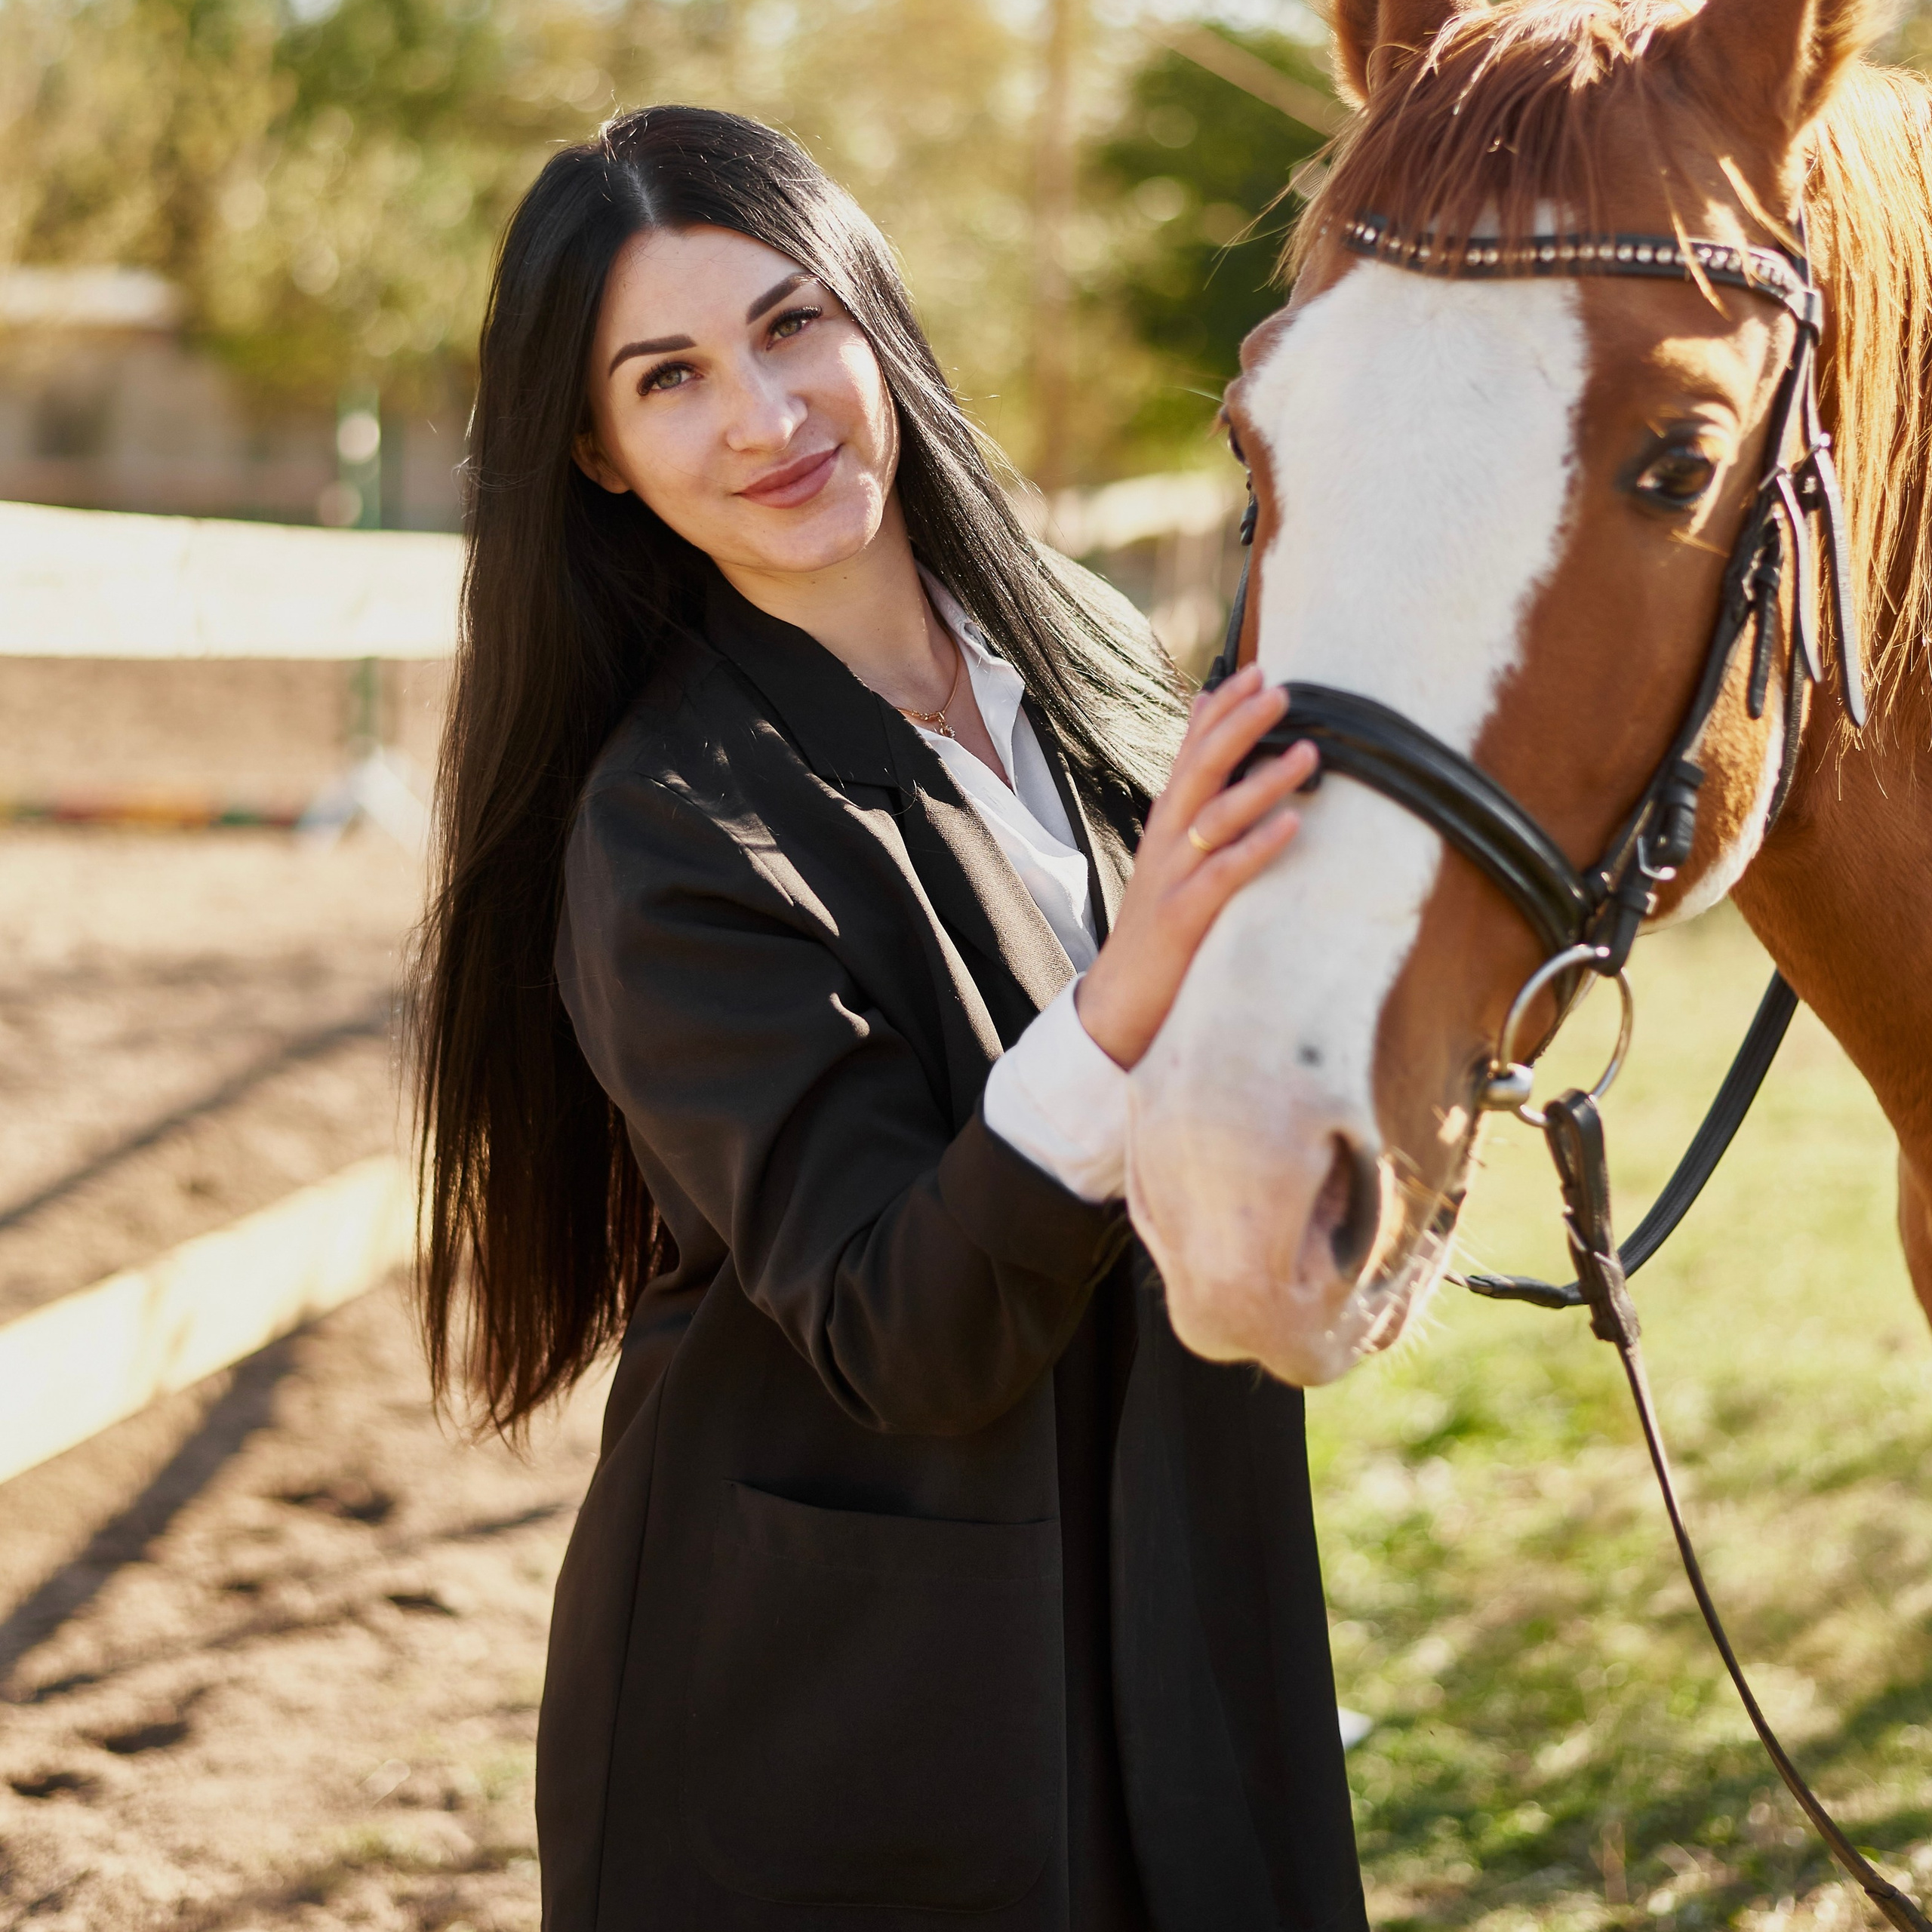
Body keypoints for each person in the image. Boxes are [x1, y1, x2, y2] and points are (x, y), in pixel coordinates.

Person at [413, 103, 1364, 1932]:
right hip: (834, 1705)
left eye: (789, 326)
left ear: (871, 319)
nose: (764, 418)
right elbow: (899, 1327)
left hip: (1170, 1577)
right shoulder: (670, 833)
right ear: (600, 458)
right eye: (668, 377)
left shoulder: (1083, 651)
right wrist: (1126, 985)